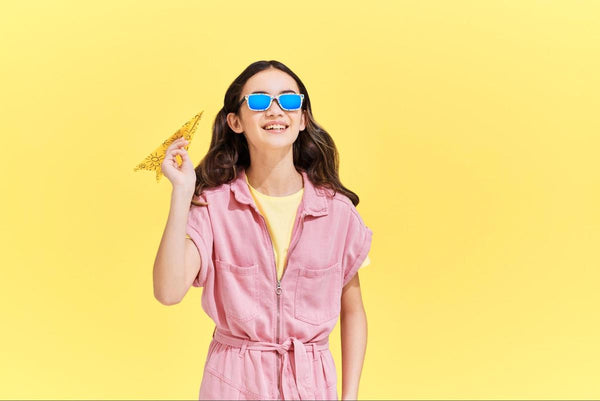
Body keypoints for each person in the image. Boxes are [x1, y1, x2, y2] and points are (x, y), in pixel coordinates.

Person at [153, 60, 373, 400]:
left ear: (301, 119)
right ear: (235, 121)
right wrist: (183, 194)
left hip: (312, 386)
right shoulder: (214, 207)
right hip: (233, 382)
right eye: (258, 101)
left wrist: (351, 396)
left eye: (288, 101)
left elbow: (353, 310)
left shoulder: (338, 213)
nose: (275, 110)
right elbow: (168, 292)